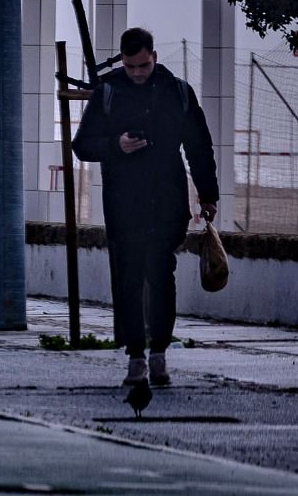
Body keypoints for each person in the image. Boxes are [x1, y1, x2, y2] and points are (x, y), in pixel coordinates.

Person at [72, 27, 219, 387]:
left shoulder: (177, 91)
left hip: (167, 201)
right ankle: (136, 356)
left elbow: (198, 146)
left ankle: (159, 354)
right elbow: (82, 145)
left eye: (143, 65)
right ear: (122, 60)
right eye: (130, 66)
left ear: (154, 56)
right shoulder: (108, 91)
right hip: (124, 203)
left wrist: (208, 194)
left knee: (161, 274)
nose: (137, 73)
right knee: (130, 277)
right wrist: (116, 145)